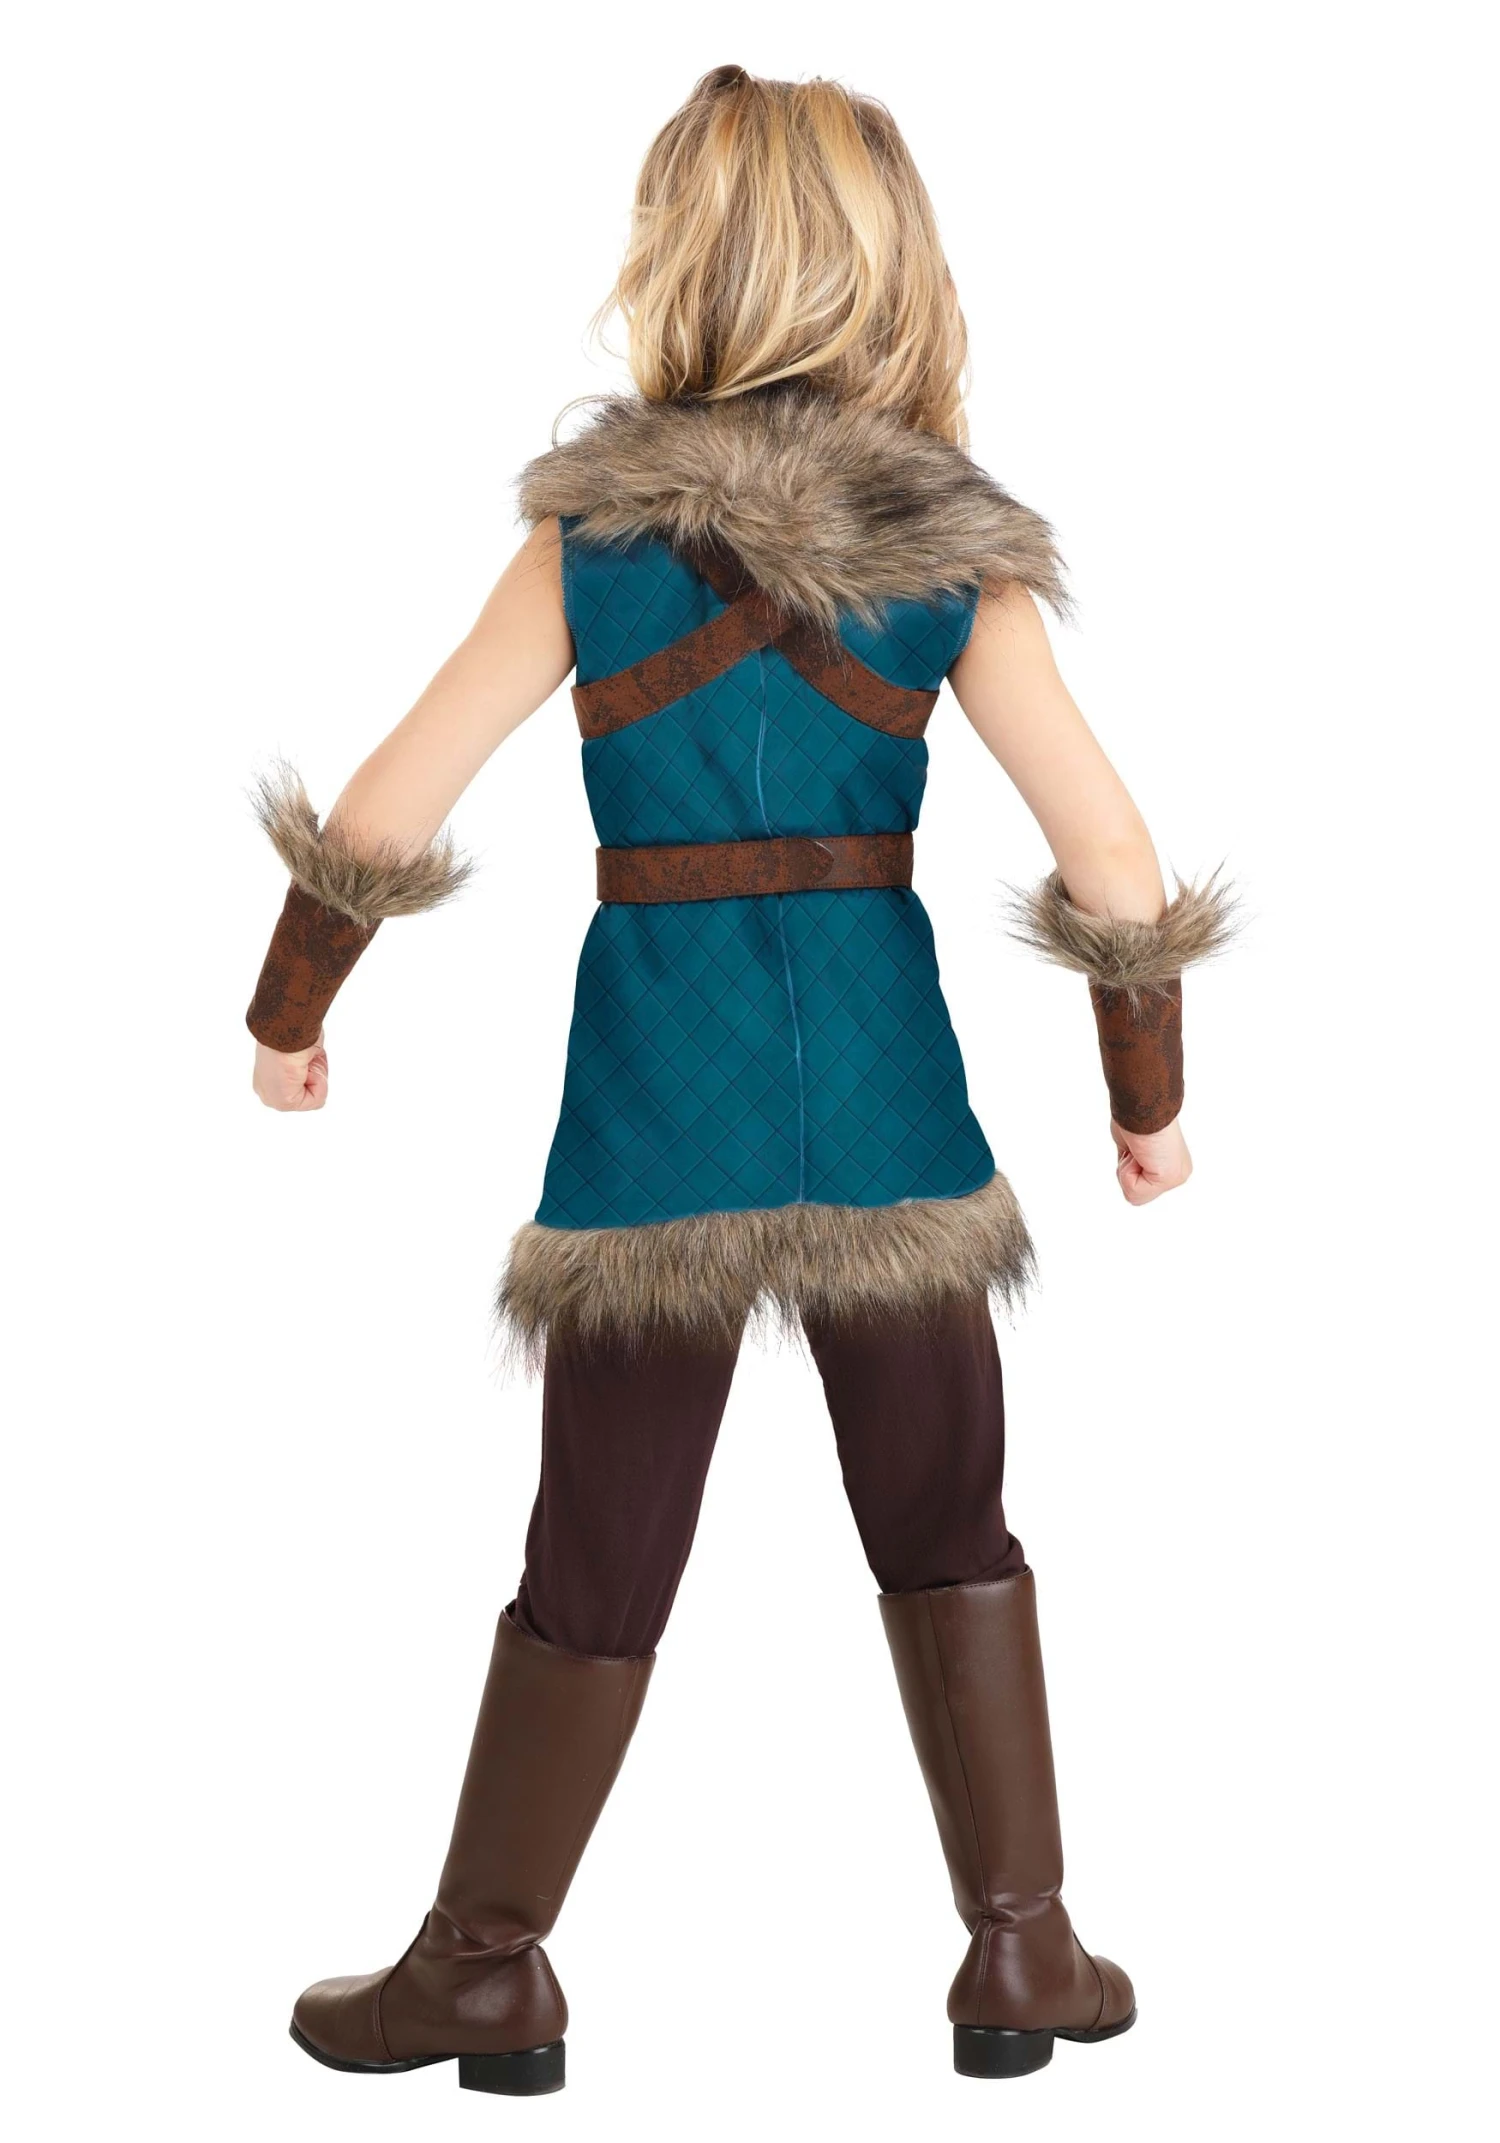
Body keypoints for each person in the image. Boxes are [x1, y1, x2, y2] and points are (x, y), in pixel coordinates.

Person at [246, 65, 1236, 2096]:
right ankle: (1022, 1947)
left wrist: (290, 1005)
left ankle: (485, 1966)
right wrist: (1143, 1096)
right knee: (949, 1516)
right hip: (887, 1111)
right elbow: (1116, 856)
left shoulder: (592, 545)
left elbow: (392, 795)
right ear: (895, 269)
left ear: (680, 259)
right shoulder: (955, 558)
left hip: (656, 1115)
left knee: (598, 1546)